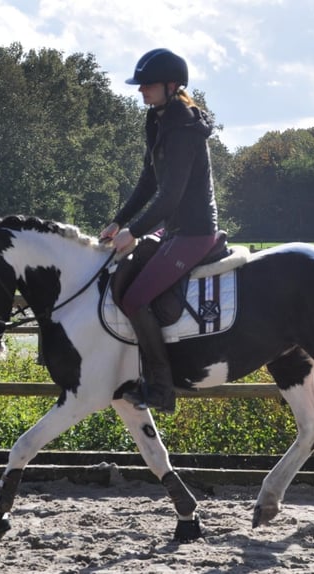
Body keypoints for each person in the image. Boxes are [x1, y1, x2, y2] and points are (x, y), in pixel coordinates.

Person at [99, 48, 219, 414]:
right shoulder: (157, 120)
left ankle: (162, 389)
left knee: (135, 299)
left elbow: (171, 197)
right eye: (141, 85)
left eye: (147, 85)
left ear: (171, 86)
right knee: (122, 279)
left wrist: (134, 232)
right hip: (173, 231)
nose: (141, 91)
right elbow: (148, 182)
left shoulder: (183, 129)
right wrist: (119, 220)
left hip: (194, 233)